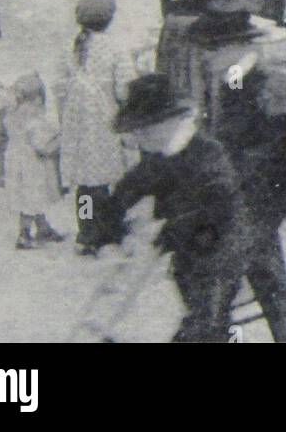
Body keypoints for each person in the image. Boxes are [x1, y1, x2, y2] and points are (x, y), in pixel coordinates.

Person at [103, 75, 249, 343]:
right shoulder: (163, 154)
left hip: (220, 249)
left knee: (208, 318)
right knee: (194, 301)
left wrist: (174, 228)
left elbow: (217, 207)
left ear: (169, 122)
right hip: (187, 251)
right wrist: (111, 214)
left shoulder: (208, 155)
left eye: (143, 130)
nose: (138, 137)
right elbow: (134, 183)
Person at [214, 56, 286, 342]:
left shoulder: (235, 106)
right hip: (251, 215)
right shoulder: (278, 120)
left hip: (246, 216)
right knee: (268, 285)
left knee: (222, 292)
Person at [56, 0, 137, 253]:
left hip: (76, 119)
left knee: (85, 181)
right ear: (109, 19)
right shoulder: (115, 47)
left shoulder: (70, 44)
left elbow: (59, 85)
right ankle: (108, 228)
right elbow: (126, 88)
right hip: (104, 119)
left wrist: (64, 115)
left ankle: (87, 230)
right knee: (105, 178)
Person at [6, 72, 66, 250]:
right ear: (38, 98)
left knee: (33, 199)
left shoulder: (14, 117)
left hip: (18, 164)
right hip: (31, 167)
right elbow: (43, 146)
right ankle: (23, 235)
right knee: (31, 200)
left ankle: (43, 227)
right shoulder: (34, 121)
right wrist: (59, 140)